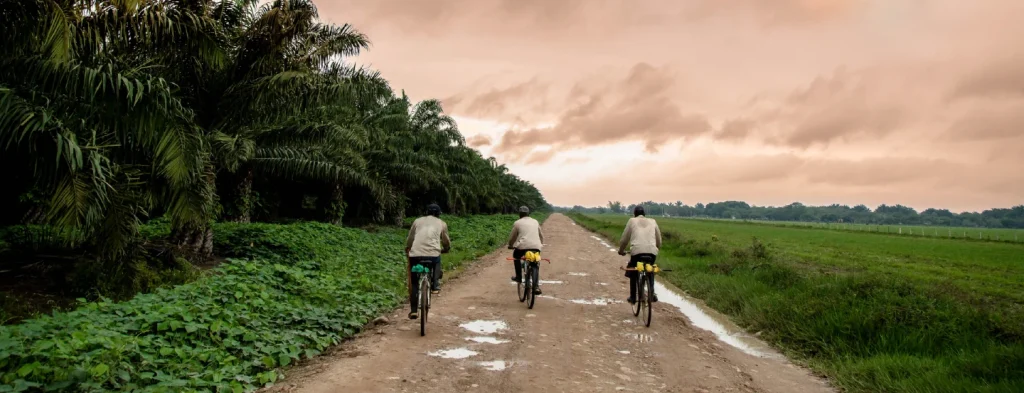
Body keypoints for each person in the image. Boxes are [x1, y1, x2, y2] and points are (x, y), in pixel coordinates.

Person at [405, 203, 451, 319]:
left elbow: (410, 238)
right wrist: (446, 248)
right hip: (433, 255)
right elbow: (445, 240)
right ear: (438, 214)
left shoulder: (417, 221)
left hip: (415, 254)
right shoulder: (442, 223)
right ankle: (435, 285)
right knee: (437, 259)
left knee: (415, 282)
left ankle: (414, 310)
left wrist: (408, 247)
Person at [617, 205, 662, 304]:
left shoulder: (632, 221)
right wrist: (656, 247)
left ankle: (633, 297)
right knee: (650, 269)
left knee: (633, 270)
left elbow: (624, 239)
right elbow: (659, 240)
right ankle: (652, 293)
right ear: (644, 214)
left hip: (637, 252)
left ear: (634, 214)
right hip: (652, 252)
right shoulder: (653, 221)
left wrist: (621, 250)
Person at [508, 205, 545, 295]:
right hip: (536, 247)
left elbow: (512, 237)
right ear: (529, 213)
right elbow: (541, 236)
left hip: (522, 247)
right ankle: (536, 286)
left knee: (516, 256)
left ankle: (519, 277)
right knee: (535, 264)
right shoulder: (535, 221)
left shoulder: (517, 223)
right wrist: (540, 244)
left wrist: (510, 245)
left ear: (520, 214)